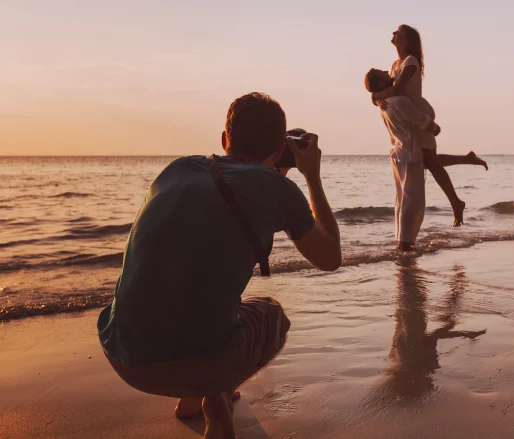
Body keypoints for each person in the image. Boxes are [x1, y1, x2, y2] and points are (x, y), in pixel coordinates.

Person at [97, 92, 341, 439]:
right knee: (271, 314)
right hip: (200, 363)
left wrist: (274, 170)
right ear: (277, 148)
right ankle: (217, 403)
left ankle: (192, 398)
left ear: (225, 139)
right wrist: (312, 176)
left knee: (192, 293)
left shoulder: (178, 169)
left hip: (124, 354)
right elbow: (330, 257)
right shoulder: (277, 189)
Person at [371, 24, 487, 227]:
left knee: (430, 162)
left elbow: (397, 88)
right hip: (409, 117)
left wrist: (376, 95)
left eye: (399, 32)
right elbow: (384, 87)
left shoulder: (410, 61)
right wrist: (375, 96)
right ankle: (467, 161)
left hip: (419, 114)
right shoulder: (394, 64)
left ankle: (456, 203)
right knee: (425, 160)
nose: (394, 33)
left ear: (408, 39)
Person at [365, 68, 483, 250]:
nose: (387, 71)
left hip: (398, 154)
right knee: (412, 203)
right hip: (410, 155)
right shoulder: (398, 102)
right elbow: (422, 120)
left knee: (403, 200)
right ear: (381, 83)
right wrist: (434, 128)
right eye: (382, 73)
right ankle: (405, 244)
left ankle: (402, 242)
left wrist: (374, 97)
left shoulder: (384, 103)